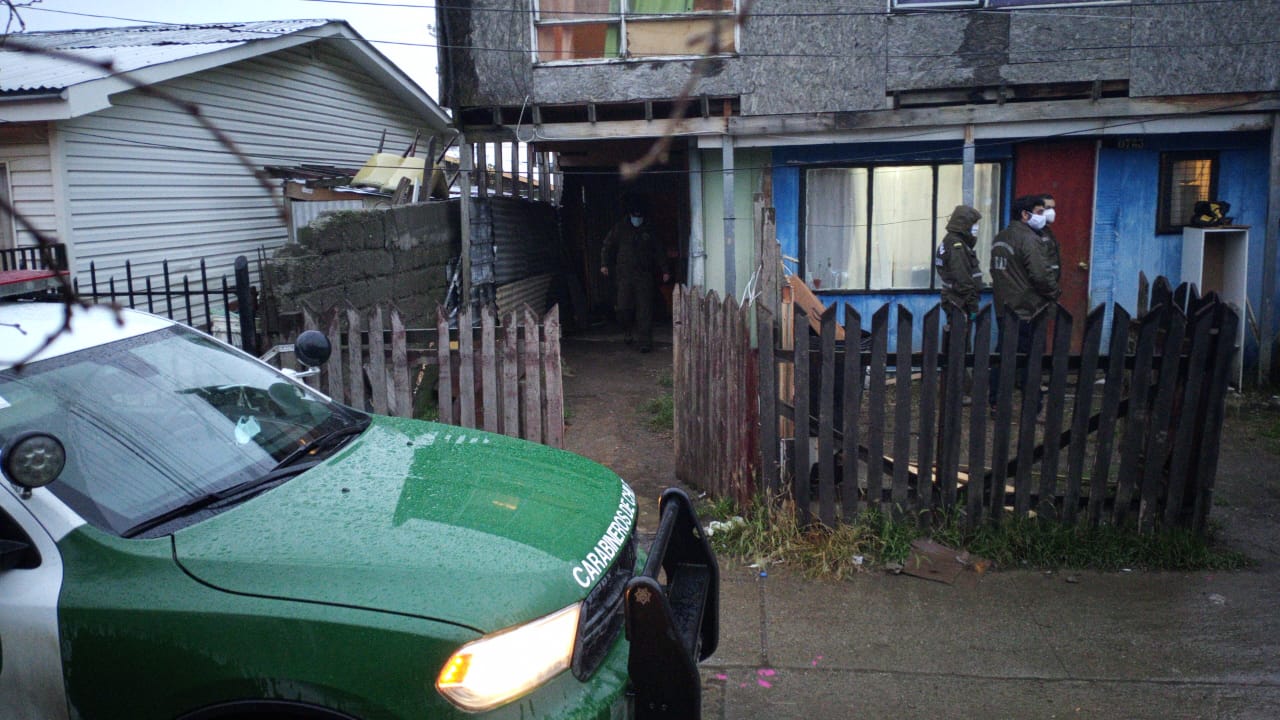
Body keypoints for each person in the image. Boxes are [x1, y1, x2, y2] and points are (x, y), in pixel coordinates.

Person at [988, 194, 1060, 410]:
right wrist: (1054, 291)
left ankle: (996, 402)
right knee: (1031, 360)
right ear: (1025, 214)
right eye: (1039, 212)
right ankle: (1033, 407)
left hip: (1004, 307)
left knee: (1004, 357)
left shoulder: (1000, 237)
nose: (1043, 217)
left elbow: (996, 272)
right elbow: (1040, 274)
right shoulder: (1029, 239)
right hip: (1027, 308)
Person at [600, 195, 669, 353]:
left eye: (640, 217)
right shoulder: (620, 228)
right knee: (624, 307)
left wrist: (665, 269)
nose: (637, 219)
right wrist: (604, 264)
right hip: (624, 275)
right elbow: (607, 245)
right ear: (630, 215)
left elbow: (659, 250)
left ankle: (644, 342)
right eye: (635, 216)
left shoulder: (649, 229)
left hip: (644, 275)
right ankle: (627, 330)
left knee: (644, 309)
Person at [934, 204, 984, 318]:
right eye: (974, 223)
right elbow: (963, 279)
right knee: (959, 334)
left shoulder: (950, 241)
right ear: (965, 223)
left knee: (956, 332)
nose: (976, 227)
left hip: (955, 299)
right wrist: (973, 305)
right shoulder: (957, 246)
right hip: (960, 301)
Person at [1040, 193, 1061, 285]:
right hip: (1041, 286)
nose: (1052, 212)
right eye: (1048, 208)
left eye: (1053, 208)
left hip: (1051, 284)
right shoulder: (1033, 231)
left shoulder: (1047, 231)